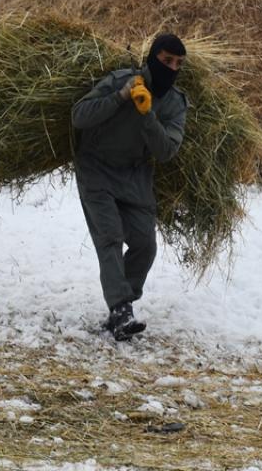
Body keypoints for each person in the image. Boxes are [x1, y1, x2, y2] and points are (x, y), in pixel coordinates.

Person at [71, 34, 188, 341]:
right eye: (166, 61)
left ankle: (124, 301)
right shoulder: (121, 80)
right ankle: (121, 309)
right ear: (152, 58)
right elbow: (79, 117)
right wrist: (120, 97)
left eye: (178, 64)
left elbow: (166, 151)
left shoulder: (175, 103)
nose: (172, 68)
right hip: (95, 169)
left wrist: (147, 114)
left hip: (134, 177)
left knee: (144, 244)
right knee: (109, 237)